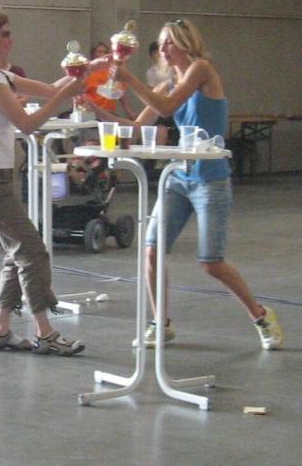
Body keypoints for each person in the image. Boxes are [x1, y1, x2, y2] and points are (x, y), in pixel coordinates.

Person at [89, 18, 283, 350]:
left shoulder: (201, 70)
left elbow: (167, 108)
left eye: (169, 42)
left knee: (211, 262)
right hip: (179, 177)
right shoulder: (168, 84)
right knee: (151, 250)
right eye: (161, 42)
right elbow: (137, 126)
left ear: (186, 43)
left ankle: (260, 315)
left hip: (211, 179)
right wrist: (93, 107)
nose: (163, 49)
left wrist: (130, 79)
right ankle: (160, 322)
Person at [0, 11, 99, 355]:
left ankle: (0, 329)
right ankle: (45, 331)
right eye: (5, 35)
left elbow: (51, 89)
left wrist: (84, 73)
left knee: (17, 252)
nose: (11, 40)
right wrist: (64, 96)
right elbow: (26, 123)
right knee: (33, 252)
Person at [82, 41, 135, 119]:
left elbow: (121, 93)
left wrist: (128, 111)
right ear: (93, 54)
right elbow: (79, 93)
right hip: (91, 112)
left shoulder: (112, 71)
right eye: (99, 52)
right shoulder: (87, 71)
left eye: (105, 52)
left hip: (109, 112)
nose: (103, 54)